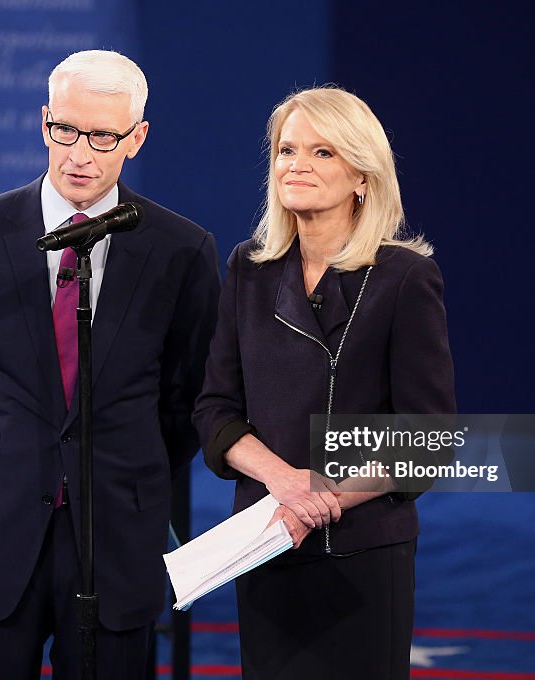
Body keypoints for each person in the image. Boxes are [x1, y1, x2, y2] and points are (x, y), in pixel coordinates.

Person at [0, 50, 220, 680]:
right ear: (44, 120)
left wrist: (125, 467)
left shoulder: (180, 251)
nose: (80, 153)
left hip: (116, 533)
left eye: (103, 136)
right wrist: (0, 459)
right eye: (66, 130)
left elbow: (188, 397)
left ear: (136, 139)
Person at [193, 86, 455, 679]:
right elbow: (215, 409)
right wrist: (285, 483)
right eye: (287, 151)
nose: (297, 165)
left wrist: (322, 502)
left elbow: (428, 438)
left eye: (322, 153)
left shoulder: (405, 278)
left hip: (365, 551)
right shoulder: (248, 268)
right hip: (265, 542)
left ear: (362, 176)